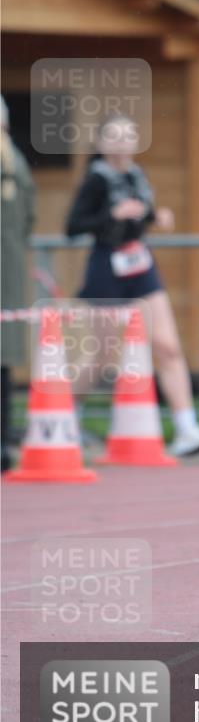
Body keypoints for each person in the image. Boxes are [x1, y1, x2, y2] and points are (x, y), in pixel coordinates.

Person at [65, 114, 199, 458]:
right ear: (102, 144)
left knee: (167, 346)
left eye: (128, 136)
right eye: (115, 137)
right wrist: (112, 217)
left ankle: (186, 428)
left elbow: (141, 213)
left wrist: (155, 216)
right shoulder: (96, 180)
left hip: (141, 266)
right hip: (106, 268)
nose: (122, 143)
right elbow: (73, 225)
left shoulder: (138, 175)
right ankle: (65, 421)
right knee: (102, 355)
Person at [1, 96, 36, 472]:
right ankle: (2, 442)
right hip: (9, 270)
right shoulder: (19, 163)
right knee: (3, 364)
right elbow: (30, 217)